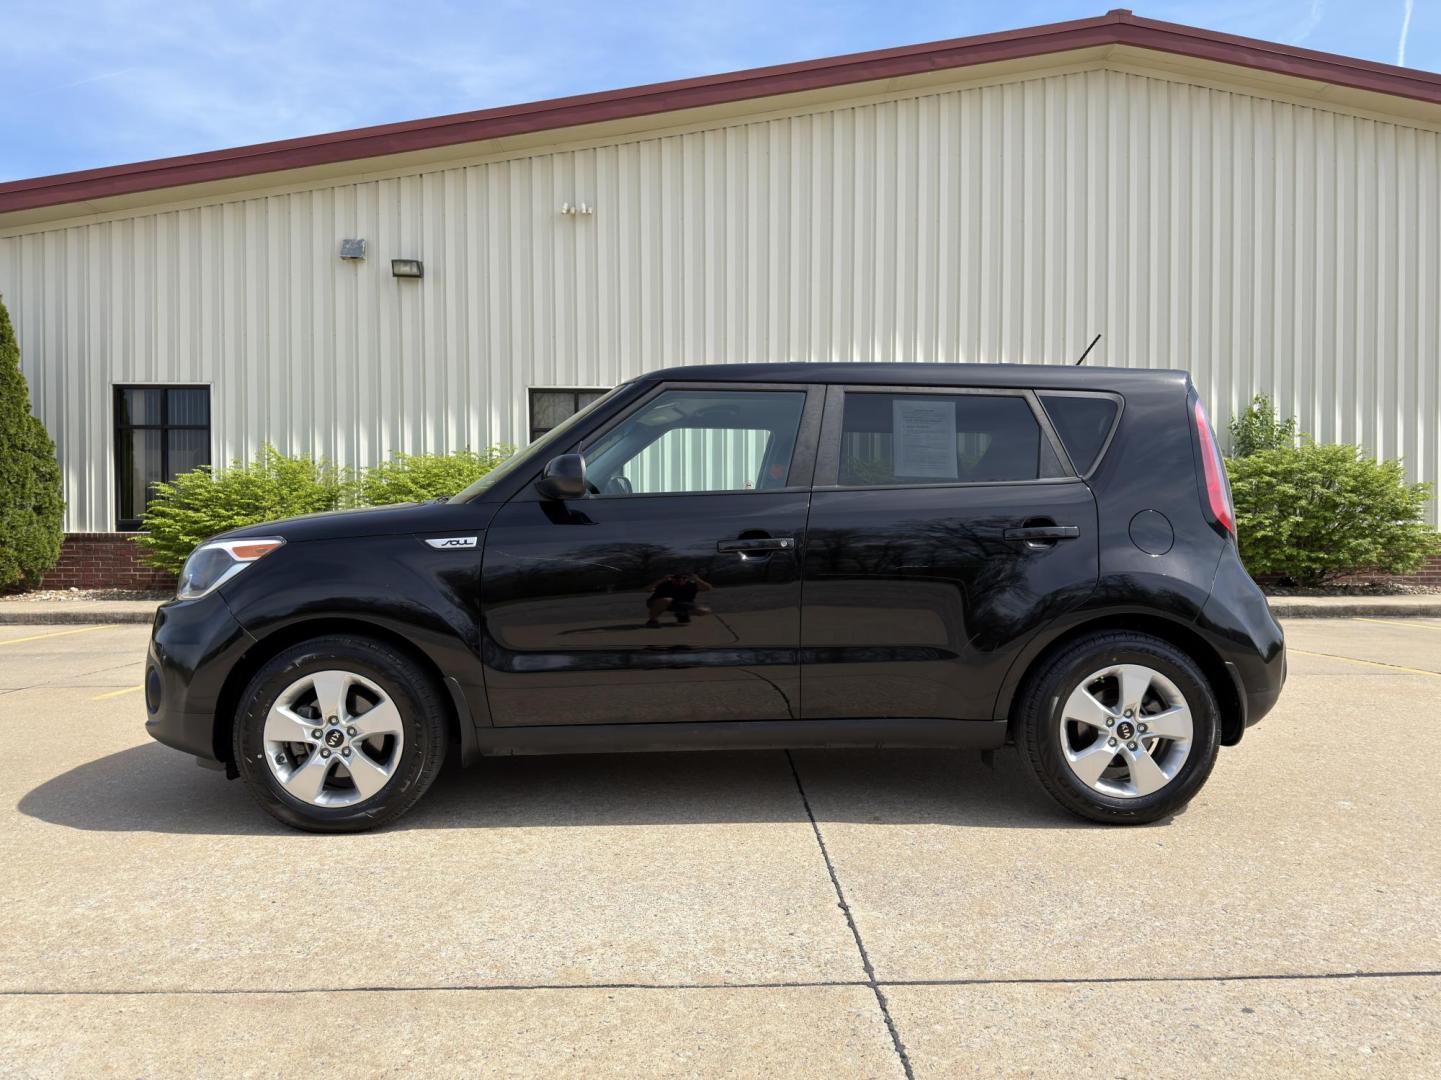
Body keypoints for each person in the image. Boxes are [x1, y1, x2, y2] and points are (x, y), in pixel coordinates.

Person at [645, 572, 714, 627]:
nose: (680, 580)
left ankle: (682, 613)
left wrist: (697, 579)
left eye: (684, 578)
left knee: (705, 611)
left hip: (681, 604)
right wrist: (662, 580)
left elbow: (708, 588)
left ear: (687, 579)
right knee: (666, 600)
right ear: (672, 579)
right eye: (676, 578)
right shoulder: (664, 584)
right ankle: (652, 620)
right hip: (658, 603)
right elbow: (647, 589)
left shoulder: (691, 585)